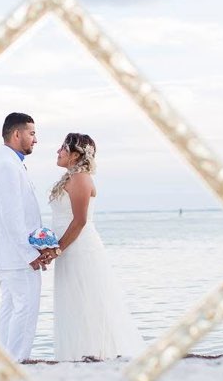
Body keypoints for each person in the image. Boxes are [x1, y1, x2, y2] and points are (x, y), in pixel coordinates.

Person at [44, 133, 146, 360]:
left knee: (87, 302)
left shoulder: (81, 179)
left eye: (63, 148)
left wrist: (58, 249)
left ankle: (96, 353)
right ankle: (79, 354)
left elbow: (80, 221)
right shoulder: (70, 178)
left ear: (76, 155)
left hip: (80, 249)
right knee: (73, 303)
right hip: (67, 248)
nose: (58, 151)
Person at [0, 112, 47, 361]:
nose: (35, 139)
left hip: (8, 254)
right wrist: (30, 254)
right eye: (32, 133)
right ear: (17, 134)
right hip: (16, 256)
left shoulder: (9, 161)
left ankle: (8, 358)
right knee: (25, 307)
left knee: (11, 306)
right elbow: (11, 216)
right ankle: (17, 360)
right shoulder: (6, 165)